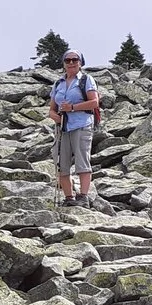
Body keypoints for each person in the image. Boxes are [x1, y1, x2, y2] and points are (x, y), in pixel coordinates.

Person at [49, 49, 99, 207]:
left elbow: (94, 102)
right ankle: (69, 197)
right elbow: (52, 108)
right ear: (63, 63)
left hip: (81, 124)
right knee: (61, 163)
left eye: (74, 60)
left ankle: (83, 197)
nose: (71, 63)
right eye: (67, 60)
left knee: (82, 159)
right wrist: (54, 116)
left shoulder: (86, 80)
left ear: (80, 62)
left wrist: (71, 108)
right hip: (63, 128)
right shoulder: (59, 83)